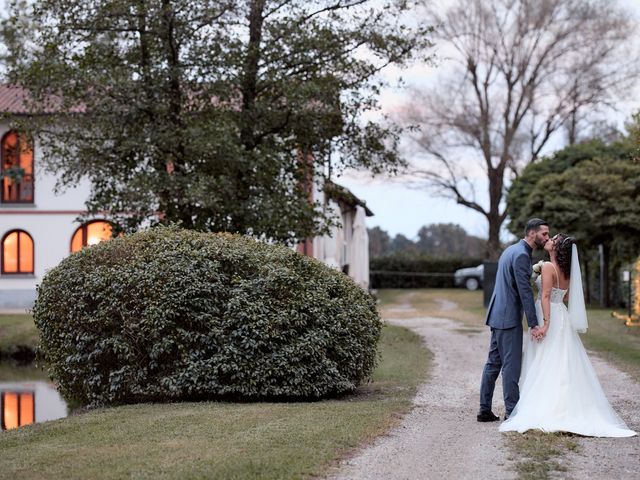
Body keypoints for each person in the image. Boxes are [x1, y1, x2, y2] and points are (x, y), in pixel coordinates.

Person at [499, 234, 636, 437]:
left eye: (553, 239)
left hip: (549, 316)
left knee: (544, 360)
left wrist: (545, 324)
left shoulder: (547, 267)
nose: (549, 239)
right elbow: (565, 296)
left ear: (557, 248)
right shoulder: (567, 272)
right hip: (560, 314)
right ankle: (565, 405)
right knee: (560, 360)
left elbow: (545, 296)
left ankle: (546, 408)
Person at [477, 218, 550, 422]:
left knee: (493, 363)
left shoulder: (511, 250)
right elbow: (525, 292)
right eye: (544, 234)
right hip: (508, 318)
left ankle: (484, 410)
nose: (547, 238)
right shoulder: (520, 256)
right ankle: (512, 412)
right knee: (511, 366)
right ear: (532, 233)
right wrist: (534, 324)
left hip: (497, 314)